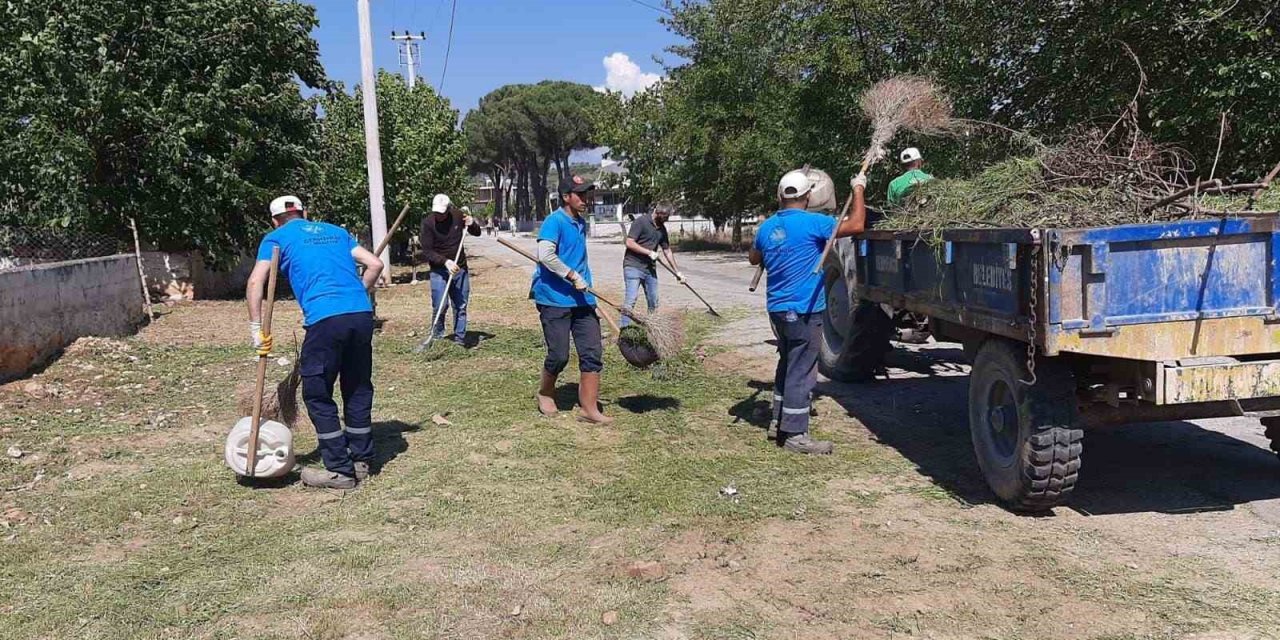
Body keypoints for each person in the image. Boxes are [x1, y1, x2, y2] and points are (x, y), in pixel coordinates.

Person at [246, 195, 384, 489]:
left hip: (325, 319)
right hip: (360, 314)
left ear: (274, 220)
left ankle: (339, 471)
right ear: (305, 213)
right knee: (357, 386)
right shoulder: (336, 231)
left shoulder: (276, 238)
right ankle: (361, 460)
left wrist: (256, 329)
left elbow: (257, 281)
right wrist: (356, 294)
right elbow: (375, 264)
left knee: (317, 392)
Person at [748, 169, 867, 455]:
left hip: (777, 310)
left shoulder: (766, 227)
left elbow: (754, 257)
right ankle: (795, 434)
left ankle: (778, 420)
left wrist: (776, 248)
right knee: (802, 370)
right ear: (809, 196)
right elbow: (857, 224)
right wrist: (858, 189)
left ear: (779, 196)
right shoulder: (815, 223)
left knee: (788, 363)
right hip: (804, 310)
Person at [531, 175, 612, 424]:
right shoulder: (554, 222)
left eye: (588, 194)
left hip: (582, 298)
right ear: (566, 197)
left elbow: (579, 259)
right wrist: (572, 274)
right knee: (559, 355)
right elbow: (544, 254)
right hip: (554, 297)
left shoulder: (580, 222)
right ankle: (545, 392)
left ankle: (589, 409)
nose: (587, 199)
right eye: (581, 194)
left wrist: (585, 283)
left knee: (592, 352)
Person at [420, 193, 481, 346]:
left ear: (448, 209)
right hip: (439, 270)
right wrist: (445, 262)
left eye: (442, 213)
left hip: (460, 268)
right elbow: (427, 250)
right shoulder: (428, 224)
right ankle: (437, 336)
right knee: (440, 305)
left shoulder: (458, 215)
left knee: (460, 305)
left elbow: (477, 232)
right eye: (436, 213)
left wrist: (472, 223)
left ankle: (459, 339)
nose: (439, 216)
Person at [621, 203, 685, 326]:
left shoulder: (661, 229)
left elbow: (667, 250)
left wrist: (677, 272)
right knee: (631, 300)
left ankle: (652, 330)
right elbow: (629, 242)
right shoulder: (641, 222)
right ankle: (623, 331)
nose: (667, 219)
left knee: (653, 302)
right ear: (659, 213)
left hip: (649, 269)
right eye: (666, 217)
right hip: (633, 266)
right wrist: (649, 252)